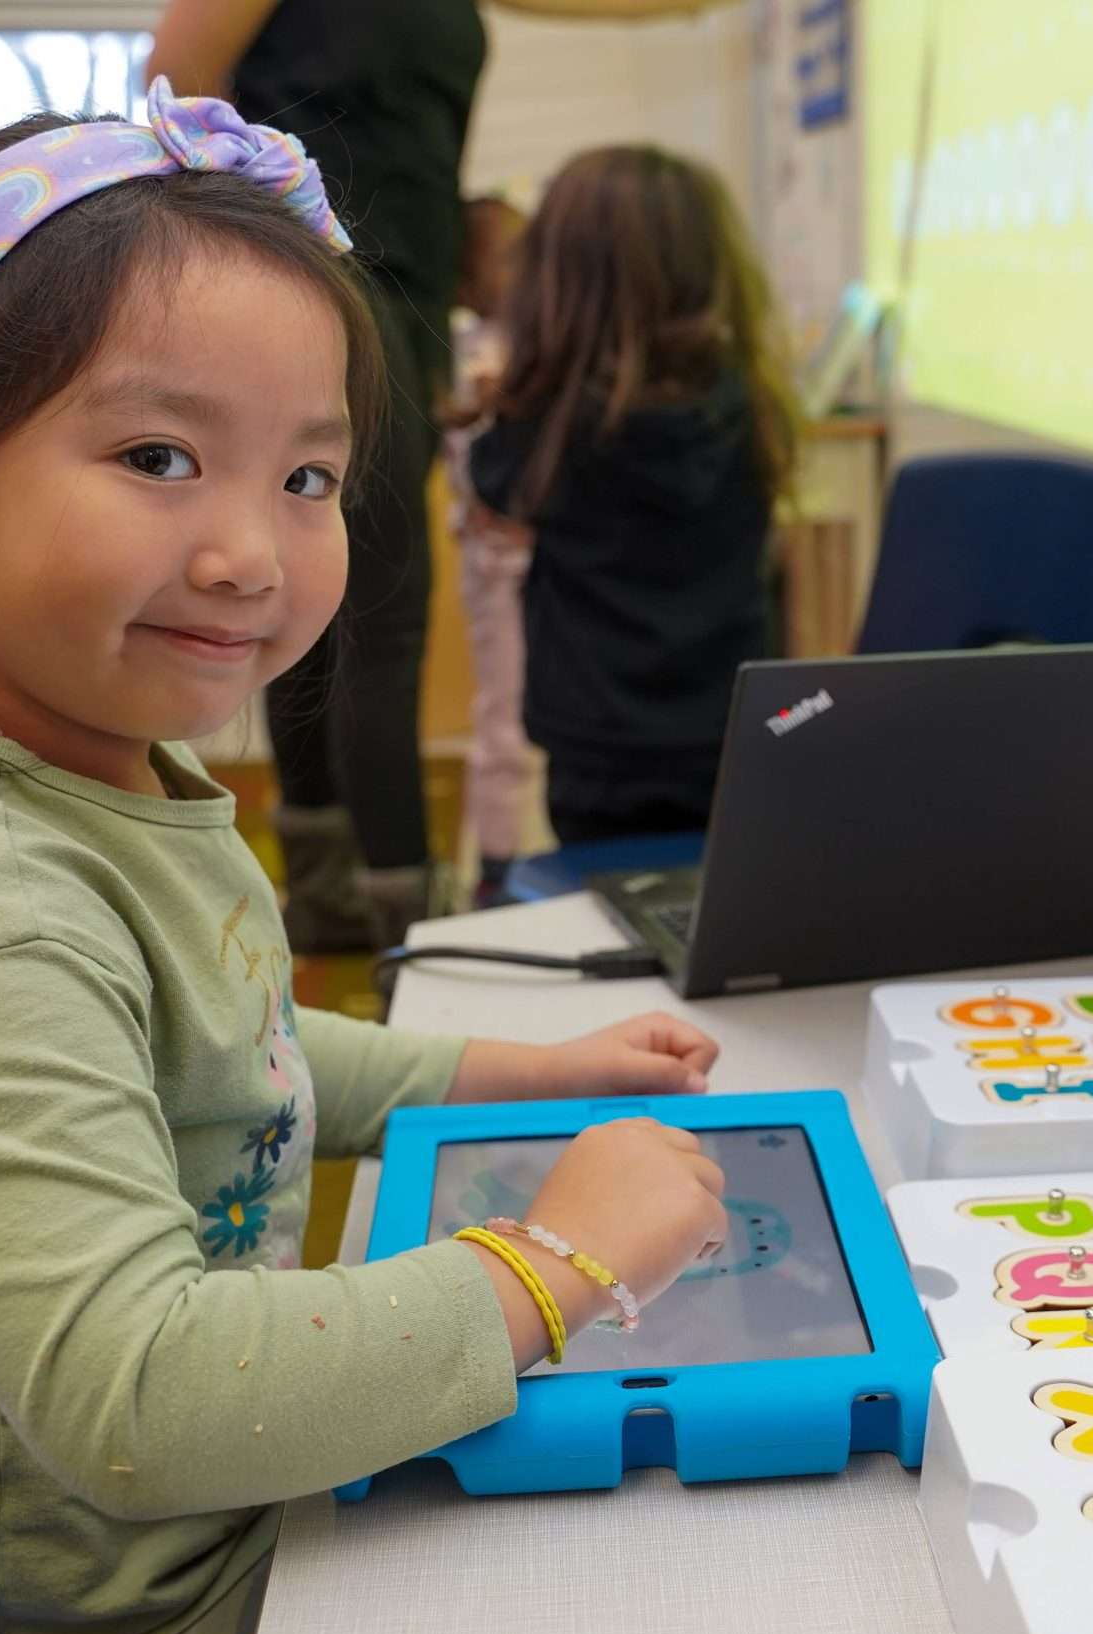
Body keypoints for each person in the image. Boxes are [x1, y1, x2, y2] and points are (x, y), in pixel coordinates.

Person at [0, 85, 729, 1634]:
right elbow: (135, 1394)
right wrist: (557, 1268)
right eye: (158, 457)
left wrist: (521, 1073)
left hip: (171, 1550)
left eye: (307, 478)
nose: (250, 556)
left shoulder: (90, 752)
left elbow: (237, 1057)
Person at [151, 0, 488, 951]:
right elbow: (175, 86)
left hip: (409, 301)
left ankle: (337, 897)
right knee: (373, 622)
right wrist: (254, 274)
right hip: (323, 286)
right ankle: (409, 930)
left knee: (336, 612)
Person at [469, 145, 801, 845]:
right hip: (739, 730)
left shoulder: (547, 423)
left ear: (559, 280)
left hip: (596, 752)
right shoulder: (749, 406)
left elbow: (492, 485)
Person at [442, 193, 534, 902]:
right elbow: (456, 428)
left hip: (545, 562)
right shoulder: (465, 348)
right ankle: (496, 871)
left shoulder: (548, 341)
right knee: (501, 718)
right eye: (502, 257)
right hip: (496, 566)